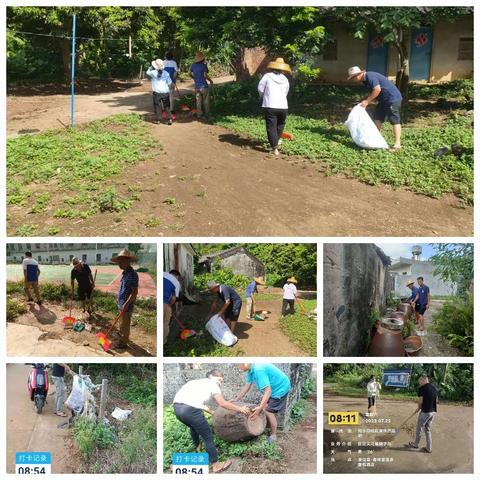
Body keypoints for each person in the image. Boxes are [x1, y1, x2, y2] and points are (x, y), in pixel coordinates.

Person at [173, 369, 250, 473]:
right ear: (211, 376)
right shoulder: (213, 385)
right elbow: (222, 403)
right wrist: (240, 409)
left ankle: (197, 449)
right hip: (191, 411)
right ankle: (216, 465)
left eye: (222, 381)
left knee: (193, 426)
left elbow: (199, 404)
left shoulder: (195, 382)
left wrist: (213, 413)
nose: (220, 383)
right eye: (219, 379)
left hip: (177, 409)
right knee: (208, 437)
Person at [347, 66, 402, 150]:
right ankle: (375, 140)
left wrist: (367, 101)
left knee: (394, 120)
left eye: (353, 78)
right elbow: (374, 91)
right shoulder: (365, 80)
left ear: (358, 75)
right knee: (377, 118)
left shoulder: (369, 76)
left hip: (392, 99)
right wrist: (364, 100)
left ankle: (397, 144)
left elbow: (377, 89)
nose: (353, 80)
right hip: (383, 100)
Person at [234, 363, 291, 443]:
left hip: (280, 388)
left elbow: (268, 390)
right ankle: (264, 426)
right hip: (273, 388)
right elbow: (247, 386)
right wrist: (236, 399)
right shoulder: (251, 370)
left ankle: (274, 435)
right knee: (264, 407)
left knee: (268, 411)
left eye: (239, 365)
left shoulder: (258, 370)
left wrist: (260, 407)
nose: (238, 367)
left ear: (246, 363)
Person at [258, 58, 291, 156]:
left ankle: (274, 149)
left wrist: (263, 96)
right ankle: (276, 142)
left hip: (270, 105)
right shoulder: (285, 79)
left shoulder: (267, 76)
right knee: (280, 125)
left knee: (271, 126)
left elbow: (260, 88)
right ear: (282, 69)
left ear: (273, 67)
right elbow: (286, 92)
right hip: (283, 106)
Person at [111, 249, 139, 349]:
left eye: (120, 261)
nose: (119, 264)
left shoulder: (132, 275)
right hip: (122, 304)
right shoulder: (125, 273)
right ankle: (122, 338)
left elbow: (134, 292)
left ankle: (123, 343)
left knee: (125, 325)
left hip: (126, 306)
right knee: (121, 324)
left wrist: (126, 305)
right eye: (118, 261)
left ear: (127, 261)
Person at [408, 374, 438, 453]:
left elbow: (421, 401)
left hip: (425, 412)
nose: (419, 383)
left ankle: (415, 444)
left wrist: (418, 408)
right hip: (433, 412)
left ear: (423, 379)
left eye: (420, 381)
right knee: (427, 429)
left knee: (419, 428)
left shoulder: (422, 388)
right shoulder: (434, 387)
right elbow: (436, 400)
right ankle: (429, 448)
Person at [146, 59, 173, 125]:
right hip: (165, 92)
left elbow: (147, 72)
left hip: (157, 92)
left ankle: (158, 120)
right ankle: (169, 119)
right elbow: (170, 83)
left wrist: (151, 67)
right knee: (167, 106)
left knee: (157, 106)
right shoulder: (166, 73)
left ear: (155, 66)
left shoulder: (153, 72)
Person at [189, 52, 213, 121]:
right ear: (203, 59)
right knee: (206, 101)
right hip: (204, 86)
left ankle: (199, 114)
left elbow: (189, 73)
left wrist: (194, 78)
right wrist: (211, 81)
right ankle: (207, 114)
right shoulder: (204, 65)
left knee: (198, 101)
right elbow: (205, 75)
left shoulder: (193, 65)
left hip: (197, 86)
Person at [163, 269, 182, 345]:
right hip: (164, 303)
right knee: (164, 323)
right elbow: (174, 298)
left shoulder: (163, 273)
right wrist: (169, 306)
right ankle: (163, 341)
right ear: (177, 276)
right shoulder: (176, 282)